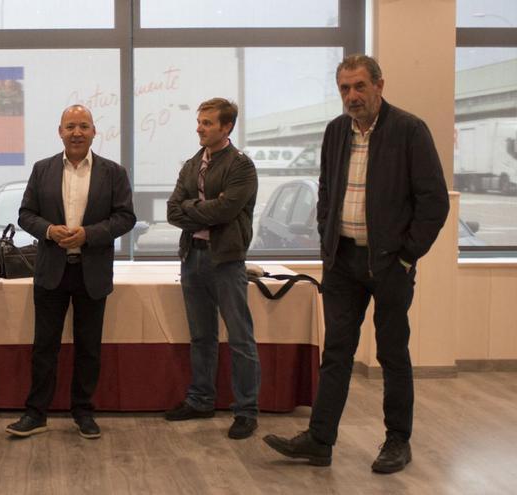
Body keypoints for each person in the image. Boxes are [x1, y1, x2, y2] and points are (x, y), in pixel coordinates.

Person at [263, 55, 449, 474]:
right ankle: (320, 439)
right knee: (337, 353)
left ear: (380, 85)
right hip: (343, 261)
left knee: (392, 354)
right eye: (345, 88)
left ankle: (397, 441)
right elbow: (327, 188)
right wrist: (328, 239)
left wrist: (406, 255)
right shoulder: (335, 131)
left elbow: (434, 202)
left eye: (360, 86)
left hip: (389, 264)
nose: (352, 96)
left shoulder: (409, 130)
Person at [5, 104, 136, 439]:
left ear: (94, 132)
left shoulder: (114, 172)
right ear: (60, 132)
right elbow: (25, 214)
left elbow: (125, 217)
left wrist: (88, 235)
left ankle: (84, 411)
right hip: (51, 271)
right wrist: (50, 230)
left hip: (92, 272)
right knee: (44, 347)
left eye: (83, 126)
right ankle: (36, 413)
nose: (77, 132)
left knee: (89, 347)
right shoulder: (42, 169)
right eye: (70, 126)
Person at [165, 97, 261, 440]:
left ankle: (246, 410)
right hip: (193, 257)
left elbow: (226, 211)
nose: (199, 128)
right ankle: (201, 399)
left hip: (226, 261)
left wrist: (194, 208)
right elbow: (172, 212)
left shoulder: (241, 166)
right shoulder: (192, 165)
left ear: (226, 126)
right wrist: (203, 207)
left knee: (240, 338)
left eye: (207, 123)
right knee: (201, 336)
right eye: (199, 121)